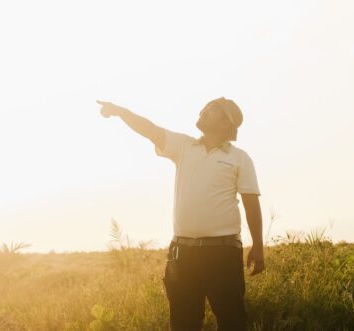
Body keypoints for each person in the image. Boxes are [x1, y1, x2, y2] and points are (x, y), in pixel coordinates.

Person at [97, 97, 264, 331]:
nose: (203, 111)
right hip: (183, 254)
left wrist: (258, 246)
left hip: (223, 253)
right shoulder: (184, 147)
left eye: (211, 110)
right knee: (183, 323)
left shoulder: (239, 158)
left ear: (227, 124)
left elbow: (251, 204)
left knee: (232, 321)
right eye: (205, 107)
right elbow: (150, 130)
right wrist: (121, 112)